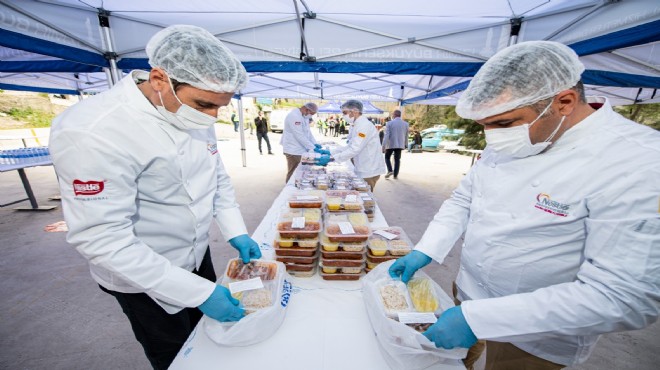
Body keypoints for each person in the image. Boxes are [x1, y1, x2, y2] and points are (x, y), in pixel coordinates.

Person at [389, 41, 660, 370]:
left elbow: (625, 296)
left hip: (537, 328)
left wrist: (480, 319)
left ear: (564, 102)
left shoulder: (640, 162)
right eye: (484, 125)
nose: (492, 136)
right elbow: (464, 199)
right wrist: (427, 249)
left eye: (503, 124)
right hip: (469, 290)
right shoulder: (517, 134)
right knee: (450, 362)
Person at [49, 25, 262, 370]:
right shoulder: (92, 130)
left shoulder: (186, 106)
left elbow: (215, 176)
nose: (212, 116)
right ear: (160, 79)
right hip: (142, 273)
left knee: (208, 336)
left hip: (194, 250)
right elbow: (101, 238)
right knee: (175, 352)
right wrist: (198, 293)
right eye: (205, 104)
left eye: (220, 106)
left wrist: (235, 228)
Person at [314, 100, 387, 191]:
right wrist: (330, 152)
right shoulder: (356, 124)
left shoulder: (364, 126)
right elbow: (350, 146)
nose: (343, 116)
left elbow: (354, 149)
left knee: (364, 194)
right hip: (363, 165)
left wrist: (332, 158)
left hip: (369, 169)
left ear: (354, 111)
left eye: (345, 113)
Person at [280, 102, 319, 183]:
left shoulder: (304, 116)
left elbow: (308, 133)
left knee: (300, 171)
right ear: (306, 109)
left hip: (300, 148)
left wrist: (315, 144)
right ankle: (288, 190)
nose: (311, 116)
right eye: (311, 114)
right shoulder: (294, 116)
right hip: (293, 149)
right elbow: (299, 135)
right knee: (293, 171)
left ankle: (297, 187)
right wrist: (312, 147)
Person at [381, 109, 409, 179]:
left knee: (387, 157)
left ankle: (390, 170)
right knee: (397, 159)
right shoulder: (405, 124)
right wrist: (406, 144)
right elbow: (406, 135)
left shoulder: (389, 123)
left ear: (394, 115)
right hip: (400, 144)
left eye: (393, 114)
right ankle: (395, 175)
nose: (392, 115)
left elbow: (387, 135)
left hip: (391, 144)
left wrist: (383, 145)